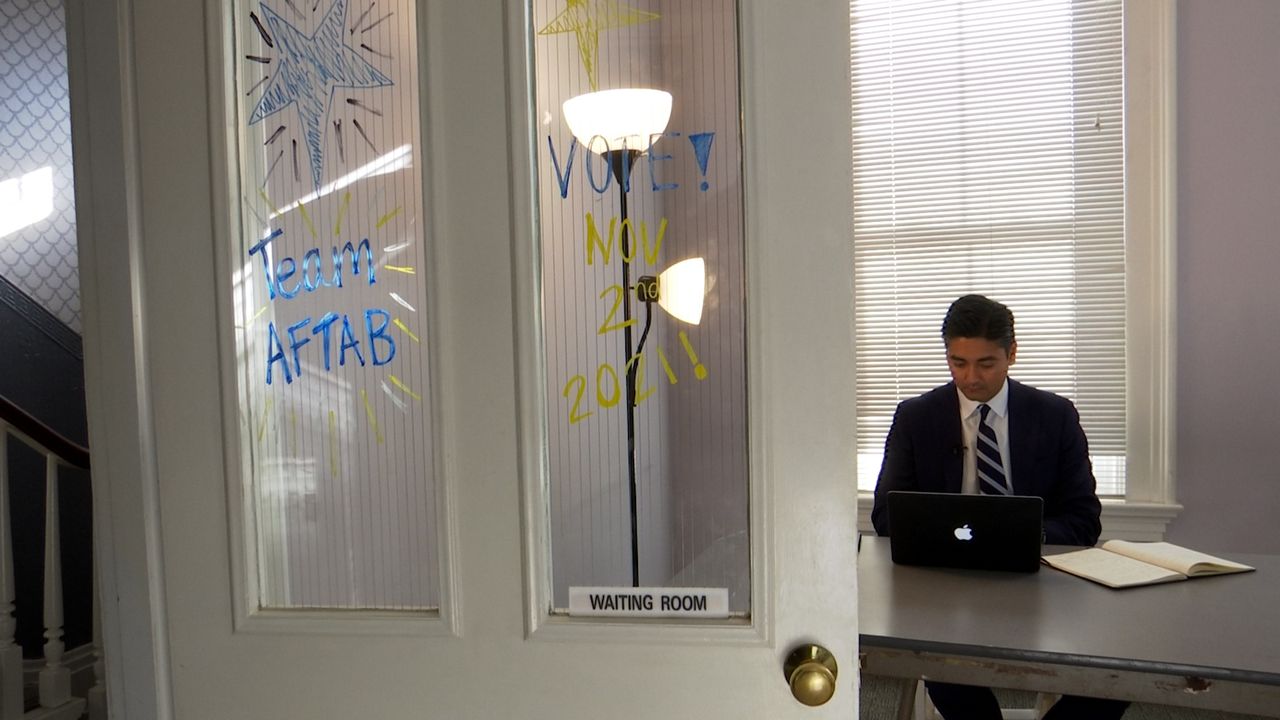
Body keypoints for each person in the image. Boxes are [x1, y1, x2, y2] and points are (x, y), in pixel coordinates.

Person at [870, 294, 1128, 720]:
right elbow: (885, 517)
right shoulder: (916, 417)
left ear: (1012, 353)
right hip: (944, 586)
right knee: (941, 660)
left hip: (1039, 580)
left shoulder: (1055, 415)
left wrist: (1028, 536)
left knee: (1115, 675)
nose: (970, 377)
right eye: (958, 362)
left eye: (986, 363)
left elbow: (1085, 518)